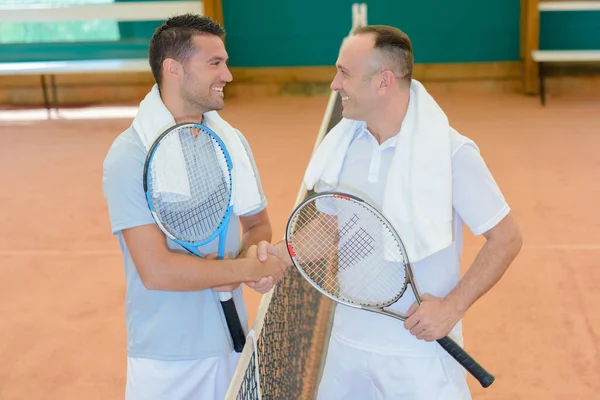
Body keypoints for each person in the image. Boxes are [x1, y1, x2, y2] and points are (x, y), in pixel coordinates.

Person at [251, 25, 523, 399]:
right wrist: (280, 256)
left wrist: (451, 308)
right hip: (346, 346)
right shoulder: (342, 147)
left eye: (344, 73)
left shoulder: (452, 153)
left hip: (421, 355)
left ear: (383, 82)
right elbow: (330, 228)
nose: (334, 84)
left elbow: (506, 237)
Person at [101, 14, 287, 400]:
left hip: (234, 342)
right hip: (168, 360)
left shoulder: (230, 139)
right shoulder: (130, 155)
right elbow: (155, 270)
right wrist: (242, 268)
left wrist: (253, 256)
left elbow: (257, 223)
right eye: (214, 63)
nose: (228, 75)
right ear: (173, 69)